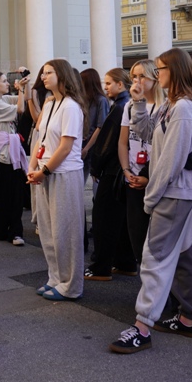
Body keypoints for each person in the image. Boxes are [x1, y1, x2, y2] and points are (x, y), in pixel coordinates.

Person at [110, 48, 192, 354]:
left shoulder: (183, 106)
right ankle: (188, 317)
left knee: (155, 257)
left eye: (160, 69)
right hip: (178, 191)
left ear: (173, 71)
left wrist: (151, 197)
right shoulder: (174, 104)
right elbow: (149, 134)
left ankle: (142, 327)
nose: (155, 74)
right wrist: (138, 103)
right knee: (184, 253)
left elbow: (171, 160)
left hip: (175, 191)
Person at [27, 59, 86, 301]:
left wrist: (44, 170)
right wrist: (32, 166)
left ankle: (71, 285)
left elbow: (65, 146)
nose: (43, 76)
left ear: (62, 75)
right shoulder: (50, 103)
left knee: (66, 231)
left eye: (48, 72)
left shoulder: (71, 106)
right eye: (43, 72)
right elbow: (40, 138)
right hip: (45, 171)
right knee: (48, 230)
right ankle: (56, 277)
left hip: (63, 173)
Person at [86, 68, 134, 280]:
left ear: (120, 85)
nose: (105, 87)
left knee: (103, 219)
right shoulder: (130, 105)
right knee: (122, 220)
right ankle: (125, 262)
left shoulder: (119, 108)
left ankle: (101, 267)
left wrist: (96, 167)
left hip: (113, 170)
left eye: (108, 83)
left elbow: (106, 143)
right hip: (125, 169)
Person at [116, 61, 163, 274]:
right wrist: (126, 170)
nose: (137, 81)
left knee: (157, 238)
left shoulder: (165, 106)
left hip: (155, 177)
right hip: (133, 175)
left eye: (142, 76)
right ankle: (146, 279)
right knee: (137, 233)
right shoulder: (129, 106)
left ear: (155, 78)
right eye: (134, 76)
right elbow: (123, 142)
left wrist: (147, 176)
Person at [0, 71, 29, 246]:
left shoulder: (2, 99)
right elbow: (20, 108)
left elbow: (25, 99)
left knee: (10, 194)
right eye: (4, 81)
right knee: (9, 194)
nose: (8, 84)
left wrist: (25, 83)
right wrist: (21, 89)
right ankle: (11, 232)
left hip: (10, 152)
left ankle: (5, 231)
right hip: (5, 153)